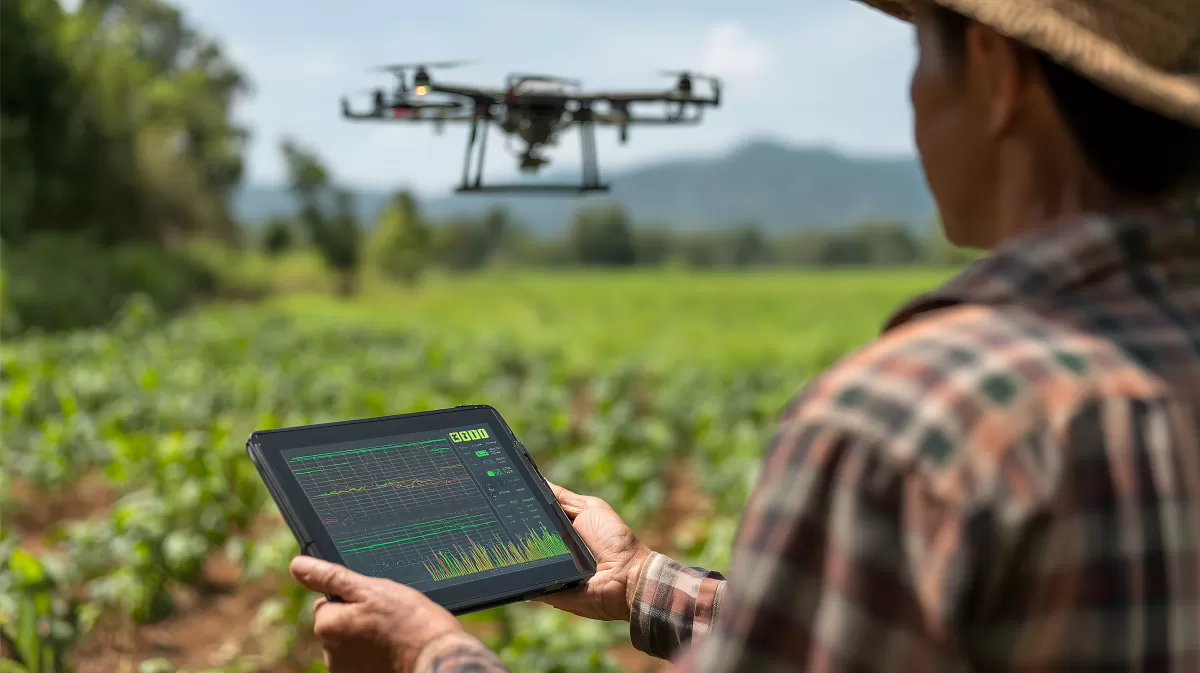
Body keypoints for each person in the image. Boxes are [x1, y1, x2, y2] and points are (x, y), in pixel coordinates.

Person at [287, 0, 1200, 670]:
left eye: (923, 51)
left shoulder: (910, 421)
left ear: (999, 77)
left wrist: (432, 653)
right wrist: (642, 576)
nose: (915, 99)